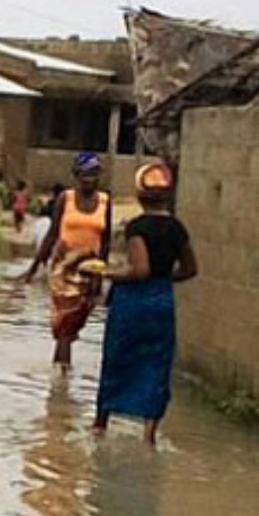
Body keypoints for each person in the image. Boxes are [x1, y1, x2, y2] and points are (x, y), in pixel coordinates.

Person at [93, 162, 198, 445]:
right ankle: (149, 436)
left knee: (117, 359)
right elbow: (190, 269)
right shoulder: (177, 229)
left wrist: (107, 273)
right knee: (156, 363)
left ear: (140, 195)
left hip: (132, 304)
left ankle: (100, 426)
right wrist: (164, 280)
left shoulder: (137, 227)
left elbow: (140, 270)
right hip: (162, 302)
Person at [20, 153, 112, 371]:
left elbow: (106, 241)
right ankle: (61, 377)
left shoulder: (105, 201)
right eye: (85, 174)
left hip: (90, 271)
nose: (89, 179)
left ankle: (60, 371)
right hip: (63, 269)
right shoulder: (65, 199)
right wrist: (33, 269)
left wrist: (101, 274)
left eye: (94, 174)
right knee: (64, 324)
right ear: (76, 175)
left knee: (73, 326)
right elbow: (52, 234)